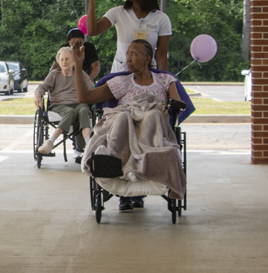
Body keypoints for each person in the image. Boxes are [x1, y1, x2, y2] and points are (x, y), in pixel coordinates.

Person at [72, 39, 185, 202]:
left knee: (154, 115)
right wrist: (78, 64)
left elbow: (177, 103)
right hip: (126, 127)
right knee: (123, 117)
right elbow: (85, 97)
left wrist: (162, 106)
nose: (128, 59)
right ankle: (118, 160)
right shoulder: (122, 82)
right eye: (127, 54)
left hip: (152, 127)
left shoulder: (165, 80)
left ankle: (137, 163)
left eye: (133, 54)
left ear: (147, 59)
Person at [85, 0, 171, 73]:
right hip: (120, 75)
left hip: (147, 76)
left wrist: (164, 82)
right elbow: (92, 31)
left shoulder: (161, 18)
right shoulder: (117, 12)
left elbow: (161, 55)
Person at [36, 46, 94, 157]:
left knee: (84, 110)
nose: (64, 62)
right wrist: (37, 94)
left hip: (79, 104)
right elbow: (42, 87)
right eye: (62, 59)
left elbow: (92, 89)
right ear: (58, 61)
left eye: (67, 59)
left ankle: (89, 145)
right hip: (59, 105)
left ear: (73, 61)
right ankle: (50, 142)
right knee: (70, 112)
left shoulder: (80, 74)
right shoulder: (54, 74)